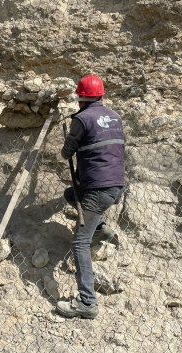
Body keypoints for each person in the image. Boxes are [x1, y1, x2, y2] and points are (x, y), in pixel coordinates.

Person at [56, 74, 125, 319]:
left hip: (98, 188)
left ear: (80, 99)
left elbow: (67, 153)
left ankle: (87, 302)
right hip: (117, 186)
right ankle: (101, 229)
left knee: (79, 243)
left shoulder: (82, 118)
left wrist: (69, 142)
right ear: (102, 96)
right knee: (70, 194)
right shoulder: (115, 117)